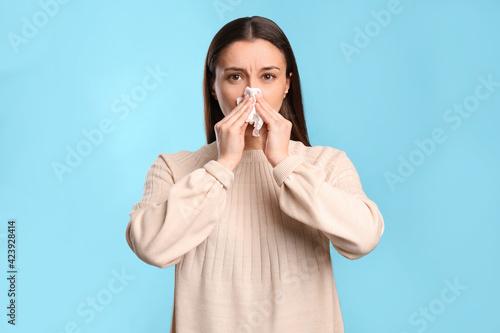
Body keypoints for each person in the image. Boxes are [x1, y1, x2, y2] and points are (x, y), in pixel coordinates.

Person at [125, 16, 385, 333]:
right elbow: (151, 247)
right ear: (213, 85)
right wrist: (222, 166)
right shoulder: (174, 168)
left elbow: (363, 238)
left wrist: (284, 162)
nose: (252, 95)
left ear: (288, 83)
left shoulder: (325, 164)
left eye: (268, 77)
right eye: (235, 77)